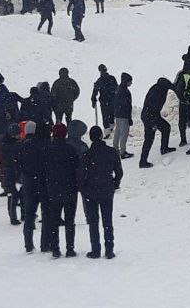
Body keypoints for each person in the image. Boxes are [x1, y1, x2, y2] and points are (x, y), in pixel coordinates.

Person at [79, 125, 122, 259]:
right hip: (107, 189)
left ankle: (95, 249)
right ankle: (109, 249)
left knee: (93, 222)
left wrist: (83, 188)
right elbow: (119, 172)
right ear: (101, 136)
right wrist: (114, 184)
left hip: (90, 191)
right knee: (107, 221)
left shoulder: (87, 155)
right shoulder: (111, 152)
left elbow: (81, 175)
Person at [43, 123, 80, 258]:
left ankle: (55, 248)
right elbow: (77, 168)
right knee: (70, 220)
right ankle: (70, 248)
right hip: (70, 188)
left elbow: (44, 169)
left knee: (54, 220)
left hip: (53, 188)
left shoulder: (47, 150)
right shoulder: (71, 150)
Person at [14, 122, 49, 252]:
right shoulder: (43, 145)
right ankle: (45, 243)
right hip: (43, 182)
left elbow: (17, 165)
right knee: (46, 214)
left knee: (29, 214)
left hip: (28, 183)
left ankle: (28, 244)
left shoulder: (21, 146)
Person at [138, 77, 176, 167]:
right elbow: (151, 108)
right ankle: (143, 162)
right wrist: (153, 123)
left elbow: (172, 87)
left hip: (154, 115)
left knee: (166, 127)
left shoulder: (159, 88)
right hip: (149, 116)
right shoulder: (155, 93)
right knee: (149, 138)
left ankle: (164, 148)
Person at [92, 65, 119, 135]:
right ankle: (111, 128)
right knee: (112, 114)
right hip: (112, 100)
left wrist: (93, 99)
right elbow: (117, 89)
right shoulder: (112, 78)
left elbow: (95, 92)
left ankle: (107, 131)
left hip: (104, 101)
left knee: (105, 116)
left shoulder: (99, 80)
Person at [113, 72, 134, 159]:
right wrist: (129, 118)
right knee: (124, 134)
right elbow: (127, 106)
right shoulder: (125, 91)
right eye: (130, 81)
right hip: (124, 115)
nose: (131, 83)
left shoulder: (118, 89)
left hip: (118, 114)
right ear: (126, 81)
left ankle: (115, 149)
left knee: (117, 132)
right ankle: (123, 152)